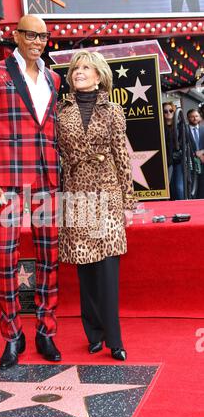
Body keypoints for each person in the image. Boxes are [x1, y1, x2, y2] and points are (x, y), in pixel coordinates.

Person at [0, 14, 61, 369]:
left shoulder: (54, 77)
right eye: (30, 34)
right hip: (8, 179)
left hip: (47, 178)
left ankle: (46, 329)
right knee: (6, 258)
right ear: (16, 35)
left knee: (48, 256)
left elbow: (52, 128)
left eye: (43, 36)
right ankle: (12, 334)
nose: (37, 41)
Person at [57, 50, 136, 361]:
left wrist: (128, 201)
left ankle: (114, 339)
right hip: (77, 193)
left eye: (86, 67)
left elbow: (122, 157)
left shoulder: (114, 111)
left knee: (107, 269)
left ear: (99, 75)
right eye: (76, 67)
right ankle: (93, 334)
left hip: (107, 193)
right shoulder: (60, 111)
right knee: (85, 268)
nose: (79, 72)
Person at [162, 102, 185, 200]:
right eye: (165, 111)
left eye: (170, 110)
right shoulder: (160, 127)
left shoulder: (180, 125)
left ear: (174, 111)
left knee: (179, 187)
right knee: (168, 188)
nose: (168, 113)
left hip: (179, 160)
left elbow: (184, 142)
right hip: (166, 160)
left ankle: (183, 207)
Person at [187, 108, 204, 198]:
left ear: (200, 117)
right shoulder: (184, 130)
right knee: (192, 186)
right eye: (192, 117)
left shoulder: (203, 129)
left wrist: (202, 152)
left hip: (202, 161)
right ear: (188, 118)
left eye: (196, 116)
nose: (194, 118)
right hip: (190, 163)